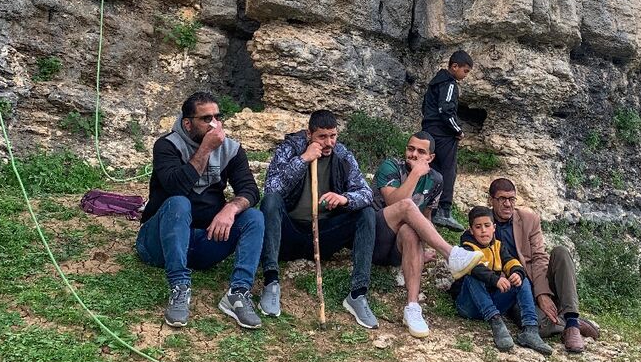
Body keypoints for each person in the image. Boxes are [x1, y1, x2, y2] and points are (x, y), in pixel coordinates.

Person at [137, 92, 264, 329]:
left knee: (254, 217)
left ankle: (238, 292)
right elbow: (175, 186)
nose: (214, 124)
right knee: (179, 203)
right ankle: (179, 286)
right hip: (159, 244)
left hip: (202, 241)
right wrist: (204, 150)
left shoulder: (232, 149)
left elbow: (250, 190)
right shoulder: (166, 145)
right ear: (188, 123)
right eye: (206, 119)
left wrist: (231, 208)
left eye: (217, 117)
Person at [259, 110, 379, 328]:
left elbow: (366, 193)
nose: (329, 142)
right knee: (271, 202)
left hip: (323, 235)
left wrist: (344, 198)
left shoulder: (342, 155)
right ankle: (271, 281)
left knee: (367, 212)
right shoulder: (290, 149)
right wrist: (303, 159)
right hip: (290, 232)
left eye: (333, 136)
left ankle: (358, 294)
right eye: (322, 137)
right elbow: (272, 188)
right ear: (309, 134)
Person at [371, 131, 484, 338]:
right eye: (410, 148)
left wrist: (423, 251)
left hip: (398, 245)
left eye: (420, 151)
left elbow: (425, 217)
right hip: (375, 235)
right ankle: (451, 255)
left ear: (430, 157)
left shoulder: (436, 180)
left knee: (410, 231)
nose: (413, 154)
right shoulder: (391, 166)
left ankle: (412, 308)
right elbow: (393, 203)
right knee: (406, 205)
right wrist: (415, 174)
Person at [488, 178, 600, 353]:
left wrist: (542, 293)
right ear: (491, 200)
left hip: (538, 277)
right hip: (514, 286)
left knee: (561, 252)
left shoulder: (528, 219)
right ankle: (572, 322)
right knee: (541, 327)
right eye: (502, 199)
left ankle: (571, 323)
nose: (508, 204)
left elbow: (539, 258)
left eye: (512, 199)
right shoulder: (484, 222)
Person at [450, 207, 553, 355]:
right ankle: (496, 322)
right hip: (469, 305)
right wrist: (495, 280)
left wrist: (516, 273)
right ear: (471, 231)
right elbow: (477, 269)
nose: (483, 231)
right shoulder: (467, 248)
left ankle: (531, 330)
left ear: (494, 228)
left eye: (487, 226)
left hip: (494, 301)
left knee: (521, 279)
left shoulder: (499, 246)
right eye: (478, 227)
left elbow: (511, 261)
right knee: (471, 272)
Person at [421, 50, 473, 232]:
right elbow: (445, 110)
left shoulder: (434, 83)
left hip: (428, 131)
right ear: (454, 66)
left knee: (432, 168)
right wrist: (457, 130)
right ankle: (444, 210)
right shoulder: (449, 84)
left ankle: (429, 208)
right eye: (465, 71)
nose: (465, 76)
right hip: (443, 134)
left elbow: (425, 107)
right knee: (449, 169)